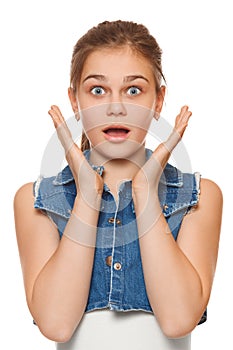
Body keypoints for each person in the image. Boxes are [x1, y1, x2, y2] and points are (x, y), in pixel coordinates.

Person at [14, 20, 223, 350]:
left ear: (158, 101)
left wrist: (144, 192)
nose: (115, 106)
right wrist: (86, 194)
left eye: (134, 90)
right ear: (74, 102)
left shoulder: (198, 197)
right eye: (97, 90)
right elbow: (56, 324)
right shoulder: (38, 200)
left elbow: (178, 319)